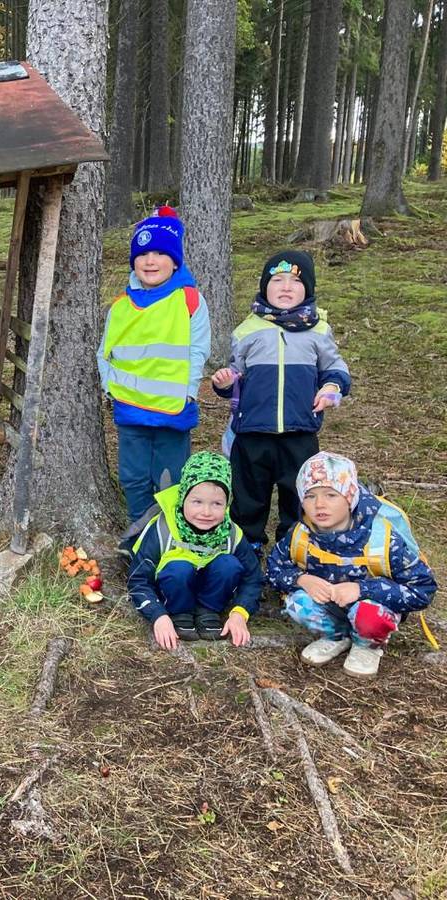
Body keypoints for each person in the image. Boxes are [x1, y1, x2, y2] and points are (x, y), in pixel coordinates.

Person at [212, 251, 350, 553]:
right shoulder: (248, 330)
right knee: (249, 492)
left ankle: (294, 546)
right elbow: (237, 375)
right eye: (277, 280)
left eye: (295, 281)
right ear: (265, 287)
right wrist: (225, 383)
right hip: (252, 431)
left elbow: (336, 368)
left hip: (299, 431)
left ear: (308, 290)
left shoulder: (318, 330)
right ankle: (247, 545)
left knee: (297, 492)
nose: (286, 287)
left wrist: (331, 387)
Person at [268, 451, 437, 678]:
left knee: (368, 615)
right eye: (309, 496)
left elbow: (423, 590)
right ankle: (336, 636)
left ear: (350, 497)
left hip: (372, 609)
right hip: (329, 605)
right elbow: (274, 568)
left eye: (331, 494)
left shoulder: (382, 539)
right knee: (297, 604)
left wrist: (362, 589)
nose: (319, 505)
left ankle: (367, 646)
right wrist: (301, 579)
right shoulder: (301, 534)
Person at [98, 206, 210, 533]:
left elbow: (198, 348)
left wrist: (189, 392)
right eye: (143, 253)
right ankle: (139, 532)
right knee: (133, 476)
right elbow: (105, 351)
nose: (150, 260)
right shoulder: (121, 305)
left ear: (175, 261)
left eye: (161, 253)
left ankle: (171, 534)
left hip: (172, 412)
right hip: (130, 410)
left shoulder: (189, 300)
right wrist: (109, 388)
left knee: (171, 478)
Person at [128, 452, 262, 649]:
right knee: (178, 568)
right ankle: (180, 612)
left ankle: (208, 610)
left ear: (227, 503)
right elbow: (137, 580)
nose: (206, 512)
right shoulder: (163, 529)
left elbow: (253, 578)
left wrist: (240, 612)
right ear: (183, 498)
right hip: (173, 591)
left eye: (216, 504)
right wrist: (157, 615)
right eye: (197, 502)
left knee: (229, 565)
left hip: (213, 593)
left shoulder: (231, 533)